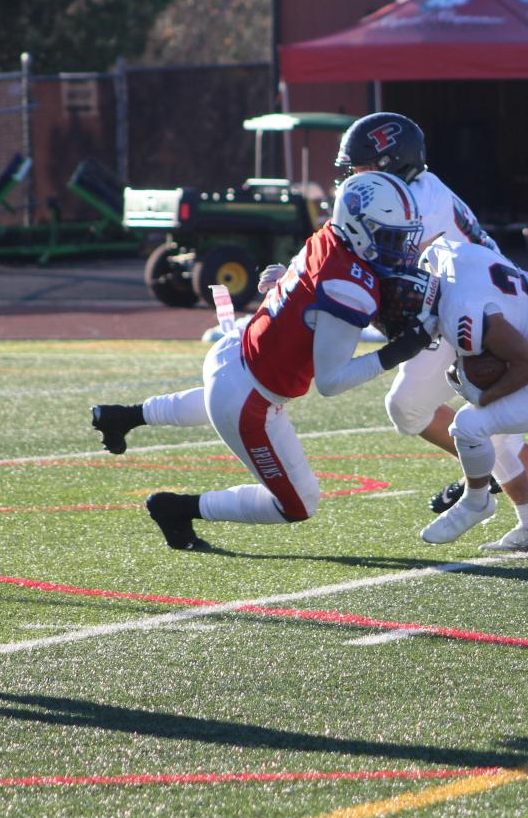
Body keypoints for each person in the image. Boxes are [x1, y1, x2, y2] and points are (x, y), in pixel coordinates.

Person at [90, 173, 435, 550]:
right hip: (250, 395)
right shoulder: (349, 287)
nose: (398, 248)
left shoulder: (329, 238)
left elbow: (305, 284)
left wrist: (285, 277)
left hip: (233, 350)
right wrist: (396, 352)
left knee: (218, 399)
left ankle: (122, 416)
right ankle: (176, 509)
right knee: (300, 503)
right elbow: (331, 381)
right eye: (388, 237)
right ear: (358, 227)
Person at [329, 113, 528, 548]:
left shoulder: (413, 202)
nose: (355, 178)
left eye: (365, 167)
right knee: (448, 418)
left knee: (434, 412)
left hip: (474, 309)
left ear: (394, 164)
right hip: (471, 301)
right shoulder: (411, 191)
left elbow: (378, 266)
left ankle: (504, 487)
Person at [375, 241, 528, 552]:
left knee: (469, 424)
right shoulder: (448, 252)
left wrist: (483, 397)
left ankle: (476, 501)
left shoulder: (462, 313)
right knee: (496, 440)